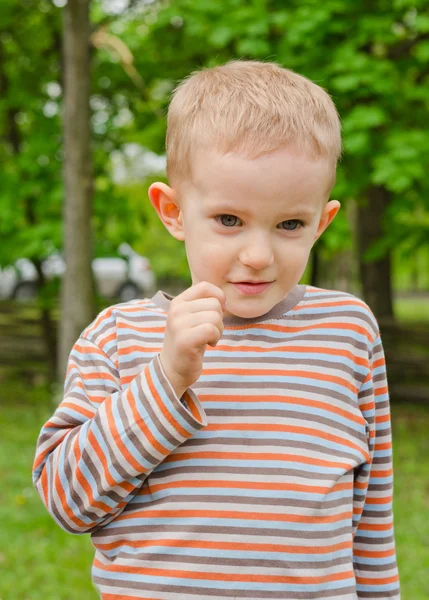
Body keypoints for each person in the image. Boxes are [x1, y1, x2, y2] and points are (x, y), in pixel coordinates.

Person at [32, 59, 400, 600]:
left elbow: (371, 519)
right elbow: (67, 500)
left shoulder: (346, 331)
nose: (257, 255)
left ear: (322, 221)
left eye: (289, 224)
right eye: (229, 220)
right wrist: (165, 377)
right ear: (173, 211)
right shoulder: (117, 336)